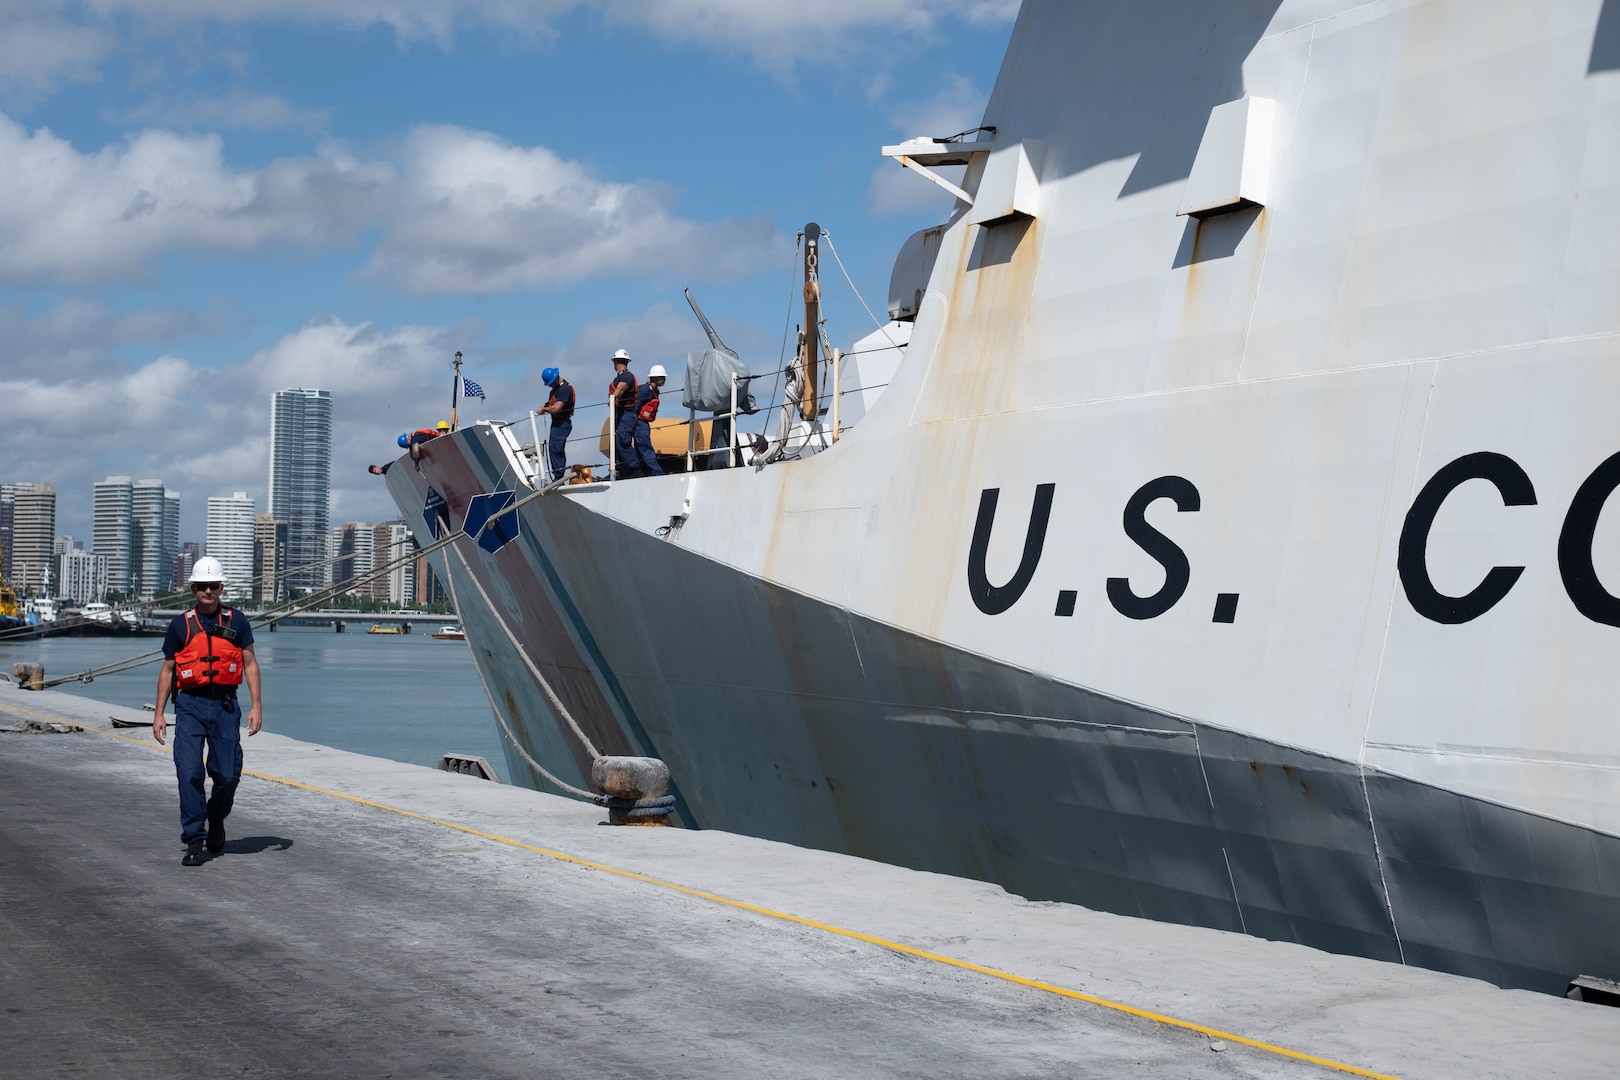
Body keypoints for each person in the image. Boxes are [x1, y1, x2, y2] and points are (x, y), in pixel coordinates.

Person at [153, 557, 263, 866]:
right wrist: (159, 713)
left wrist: (257, 706)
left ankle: (215, 817)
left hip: (226, 706)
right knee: (189, 773)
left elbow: (250, 664)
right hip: (189, 704)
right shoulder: (180, 625)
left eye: (213, 586)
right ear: (193, 588)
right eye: (202, 586)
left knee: (227, 775)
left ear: (221, 588)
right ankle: (195, 841)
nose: (208, 591)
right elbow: (167, 670)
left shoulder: (238, 621)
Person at [535, 367, 575, 479]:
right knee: (553, 449)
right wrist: (544, 406)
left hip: (562, 423)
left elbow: (557, 408)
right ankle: (558, 475)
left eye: (551, 383)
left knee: (557, 448)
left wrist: (544, 410)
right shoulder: (556, 391)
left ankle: (559, 475)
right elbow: (551, 404)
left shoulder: (564, 389)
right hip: (556, 423)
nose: (550, 385)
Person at [628, 364, 667, 478]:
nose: (664, 380)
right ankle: (657, 473)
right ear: (654, 378)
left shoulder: (655, 391)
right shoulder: (645, 390)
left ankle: (642, 472)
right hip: (639, 423)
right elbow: (635, 406)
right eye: (661, 377)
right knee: (645, 448)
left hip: (644, 423)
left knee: (642, 449)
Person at [368, 422, 447, 475]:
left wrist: (416, 464)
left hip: (441, 440)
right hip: (438, 440)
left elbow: (415, 451)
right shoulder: (415, 435)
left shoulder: (414, 440)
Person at [607, 348, 638, 480]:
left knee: (622, 442)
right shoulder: (622, 376)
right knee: (616, 443)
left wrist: (612, 398)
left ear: (615, 362)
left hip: (626, 414)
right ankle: (622, 471)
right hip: (621, 414)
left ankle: (634, 468)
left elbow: (621, 387)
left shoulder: (626, 376)